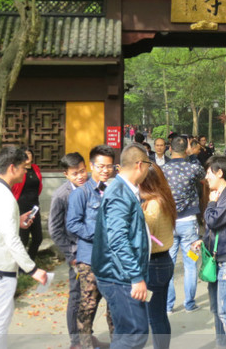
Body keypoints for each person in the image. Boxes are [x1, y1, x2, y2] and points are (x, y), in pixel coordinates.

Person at [0, 146, 47, 349]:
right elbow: (12, 240)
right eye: (23, 167)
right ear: (12, 168)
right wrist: (32, 269)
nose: (26, 171)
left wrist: (18, 220)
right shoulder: (5, 197)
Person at [92, 143, 152, 349]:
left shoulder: (125, 189)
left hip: (120, 274)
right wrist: (135, 276)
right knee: (136, 332)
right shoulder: (119, 192)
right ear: (140, 165)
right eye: (148, 165)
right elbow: (117, 240)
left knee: (125, 331)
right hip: (120, 276)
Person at [193, 156, 226, 349]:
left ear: (220, 173)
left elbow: (213, 220)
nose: (206, 177)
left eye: (209, 173)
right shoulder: (219, 195)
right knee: (217, 310)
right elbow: (215, 229)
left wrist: (211, 204)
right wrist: (203, 241)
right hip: (217, 260)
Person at [66, 145, 116, 348]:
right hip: (89, 259)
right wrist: (97, 234)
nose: (105, 170)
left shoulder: (111, 189)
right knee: (87, 306)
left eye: (109, 166)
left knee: (114, 306)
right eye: (101, 166)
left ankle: (118, 344)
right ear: (92, 166)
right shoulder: (81, 193)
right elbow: (72, 224)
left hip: (112, 259)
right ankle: (84, 344)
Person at [48, 152, 88, 349]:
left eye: (82, 171)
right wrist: (70, 254)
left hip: (92, 252)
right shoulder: (62, 195)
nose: (81, 176)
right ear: (66, 174)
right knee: (76, 296)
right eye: (75, 174)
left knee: (91, 298)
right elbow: (54, 229)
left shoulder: (90, 187)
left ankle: (86, 336)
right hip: (75, 254)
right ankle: (75, 341)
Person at [163, 135, 206, 313]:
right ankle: (189, 303)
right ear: (186, 149)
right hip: (189, 223)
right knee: (191, 263)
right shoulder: (193, 168)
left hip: (168, 222)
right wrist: (191, 155)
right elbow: (203, 174)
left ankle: (168, 305)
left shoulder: (162, 170)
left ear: (170, 149)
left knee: (169, 265)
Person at [140, 162, 177, 349]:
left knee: (154, 317)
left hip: (153, 265)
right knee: (160, 314)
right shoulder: (164, 198)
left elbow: (143, 237)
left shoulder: (152, 205)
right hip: (164, 261)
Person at [11, 146, 43, 259]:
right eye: (25, 154)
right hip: (22, 207)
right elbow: (15, 188)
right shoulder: (19, 170)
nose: (28, 156)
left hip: (34, 206)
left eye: (29, 154)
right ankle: (20, 265)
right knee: (23, 238)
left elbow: (39, 186)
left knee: (38, 238)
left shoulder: (35, 168)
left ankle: (30, 261)